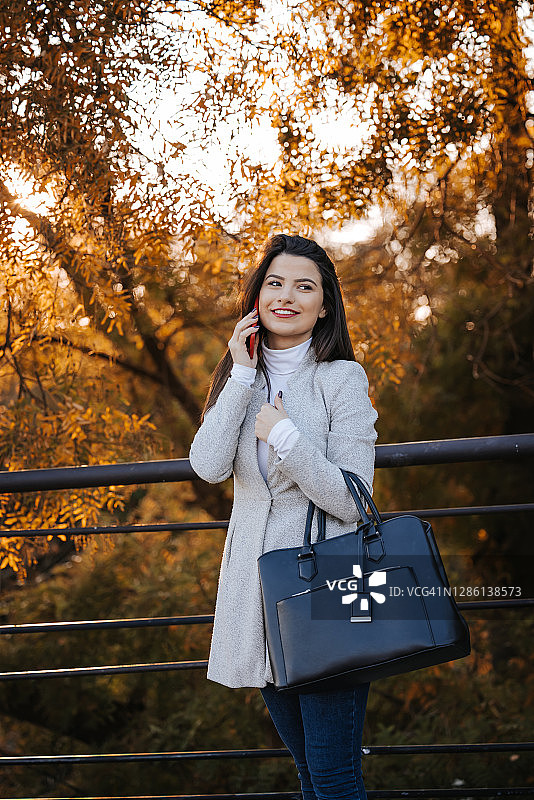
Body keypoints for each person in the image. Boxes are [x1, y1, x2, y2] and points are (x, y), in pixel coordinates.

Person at [189, 233, 378, 800]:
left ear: (325, 306)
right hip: (258, 599)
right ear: (257, 297)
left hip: (328, 593)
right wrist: (241, 375)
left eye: (304, 286)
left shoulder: (342, 379)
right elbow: (207, 466)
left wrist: (288, 439)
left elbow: (353, 499)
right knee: (307, 775)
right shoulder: (241, 380)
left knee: (334, 778)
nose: (286, 296)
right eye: (274, 283)